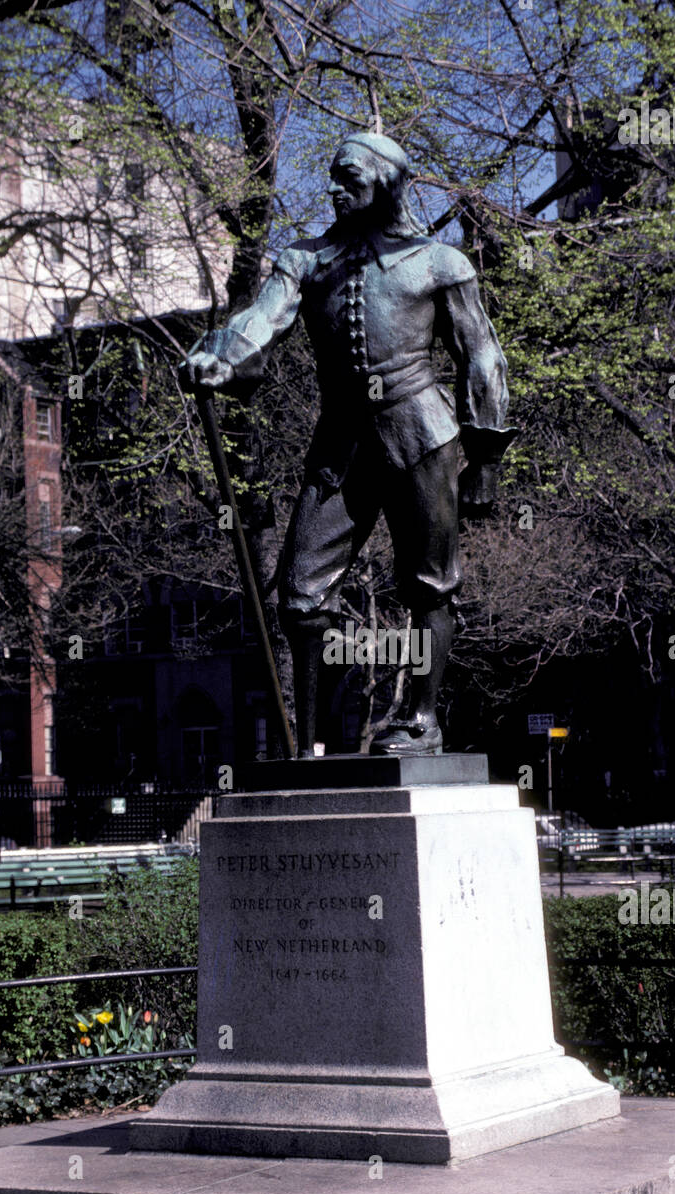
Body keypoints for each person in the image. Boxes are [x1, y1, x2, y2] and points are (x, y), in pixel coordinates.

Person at [181, 131, 515, 757]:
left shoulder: (440, 262)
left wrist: (485, 460)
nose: (334, 189)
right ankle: (306, 744)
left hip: (422, 435)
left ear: (389, 181)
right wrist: (220, 358)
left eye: (350, 177)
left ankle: (420, 719)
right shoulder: (304, 260)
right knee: (301, 591)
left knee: (429, 585)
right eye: (332, 177)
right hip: (342, 446)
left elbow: (482, 358)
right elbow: (260, 319)